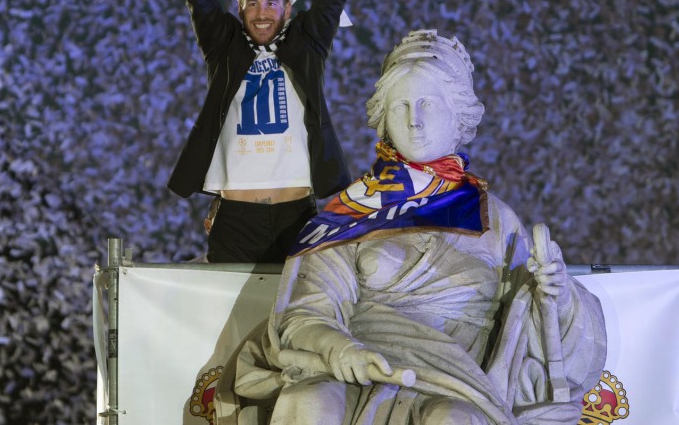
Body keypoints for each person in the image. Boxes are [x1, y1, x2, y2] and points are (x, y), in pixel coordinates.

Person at [216, 30, 607, 424]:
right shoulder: (349, 210)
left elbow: (544, 336)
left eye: (428, 104)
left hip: (456, 381)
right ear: (383, 119)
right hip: (354, 367)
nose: (414, 121)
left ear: (459, 116)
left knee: (452, 419)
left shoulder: (497, 220)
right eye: (400, 105)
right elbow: (306, 313)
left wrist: (557, 294)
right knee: (309, 400)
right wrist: (340, 349)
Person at [168, 0, 351, 264]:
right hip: (235, 216)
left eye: (271, 3)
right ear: (240, 9)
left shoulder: (308, 44)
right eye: (251, 3)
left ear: (288, 8)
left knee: (296, 323)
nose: (262, 12)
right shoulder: (225, 46)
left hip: (297, 214)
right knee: (231, 325)